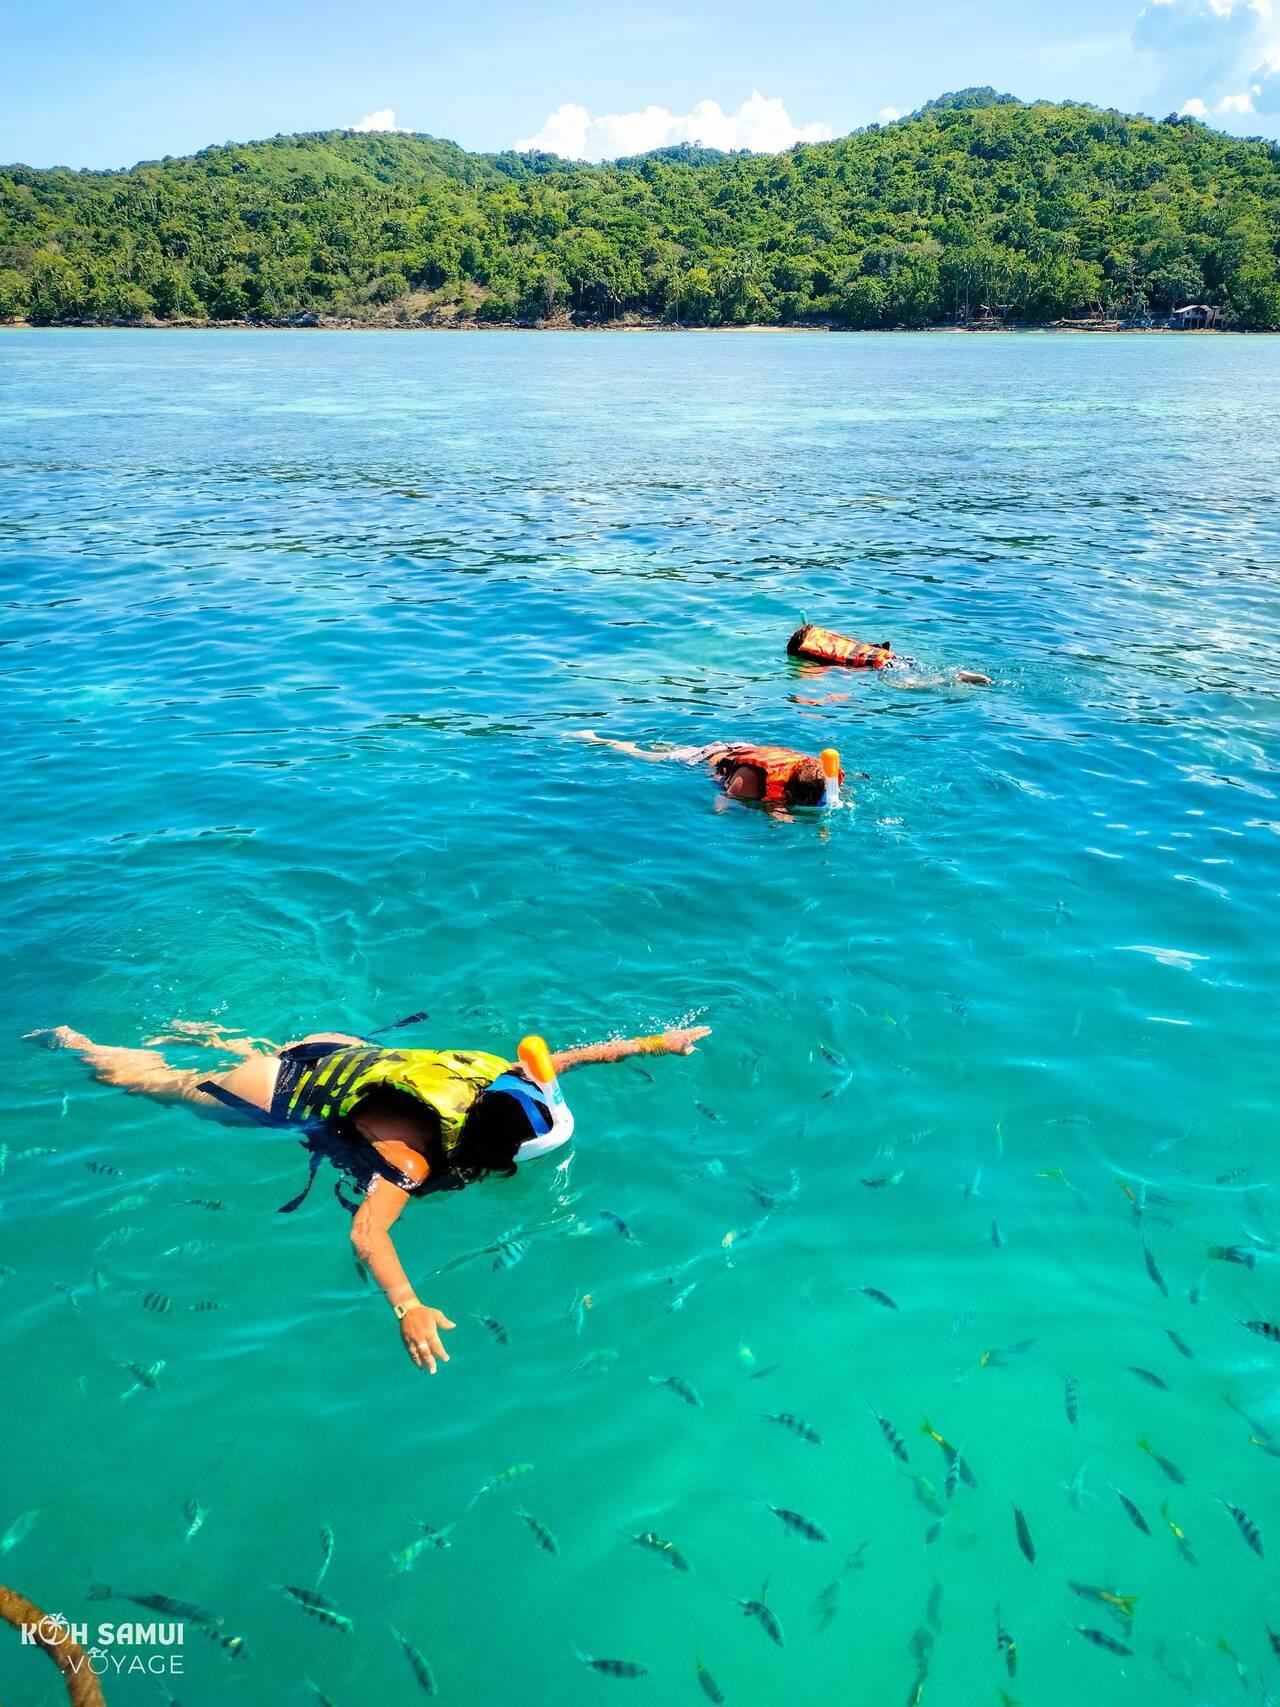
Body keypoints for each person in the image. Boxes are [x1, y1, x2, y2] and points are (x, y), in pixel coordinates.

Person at [39, 1018, 709, 1372]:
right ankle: (72, 1041)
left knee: (238, 1056)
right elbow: (367, 1232)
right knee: (157, 1083)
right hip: (277, 1090)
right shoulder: (412, 1156)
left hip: (337, 1046)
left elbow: (561, 1060)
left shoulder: (499, 1081)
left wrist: (655, 1043)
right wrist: (408, 1305)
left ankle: (210, 1035)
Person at [567, 731, 845, 810]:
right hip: (705, 757)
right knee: (647, 757)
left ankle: (661, 743)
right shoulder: (750, 780)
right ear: (790, 793)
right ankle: (597, 738)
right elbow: (720, 804)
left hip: (740, 748)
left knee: (666, 748)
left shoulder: (820, 774)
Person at [786, 622, 992, 686]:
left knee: (913, 685)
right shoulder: (835, 642)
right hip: (897, 658)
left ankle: (956, 679)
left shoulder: (815, 656)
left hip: (886, 668)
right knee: (924, 673)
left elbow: (834, 671)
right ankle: (956, 675)